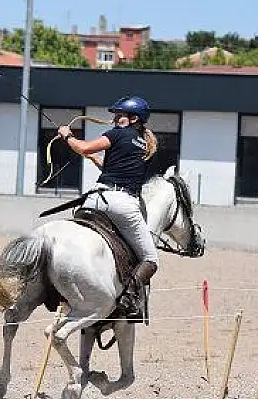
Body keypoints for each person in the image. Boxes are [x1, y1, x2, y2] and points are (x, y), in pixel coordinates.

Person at [56, 95, 159, 321]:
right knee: (150, 259)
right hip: (123, 204)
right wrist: (94, 159)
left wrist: (67, 136)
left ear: (134, 118)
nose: (114, 119)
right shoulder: (144, 145)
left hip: (96, 199)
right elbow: (118, 168)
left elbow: (83, 147)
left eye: (119, 115)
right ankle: (128, 297)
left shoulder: (116, 134)